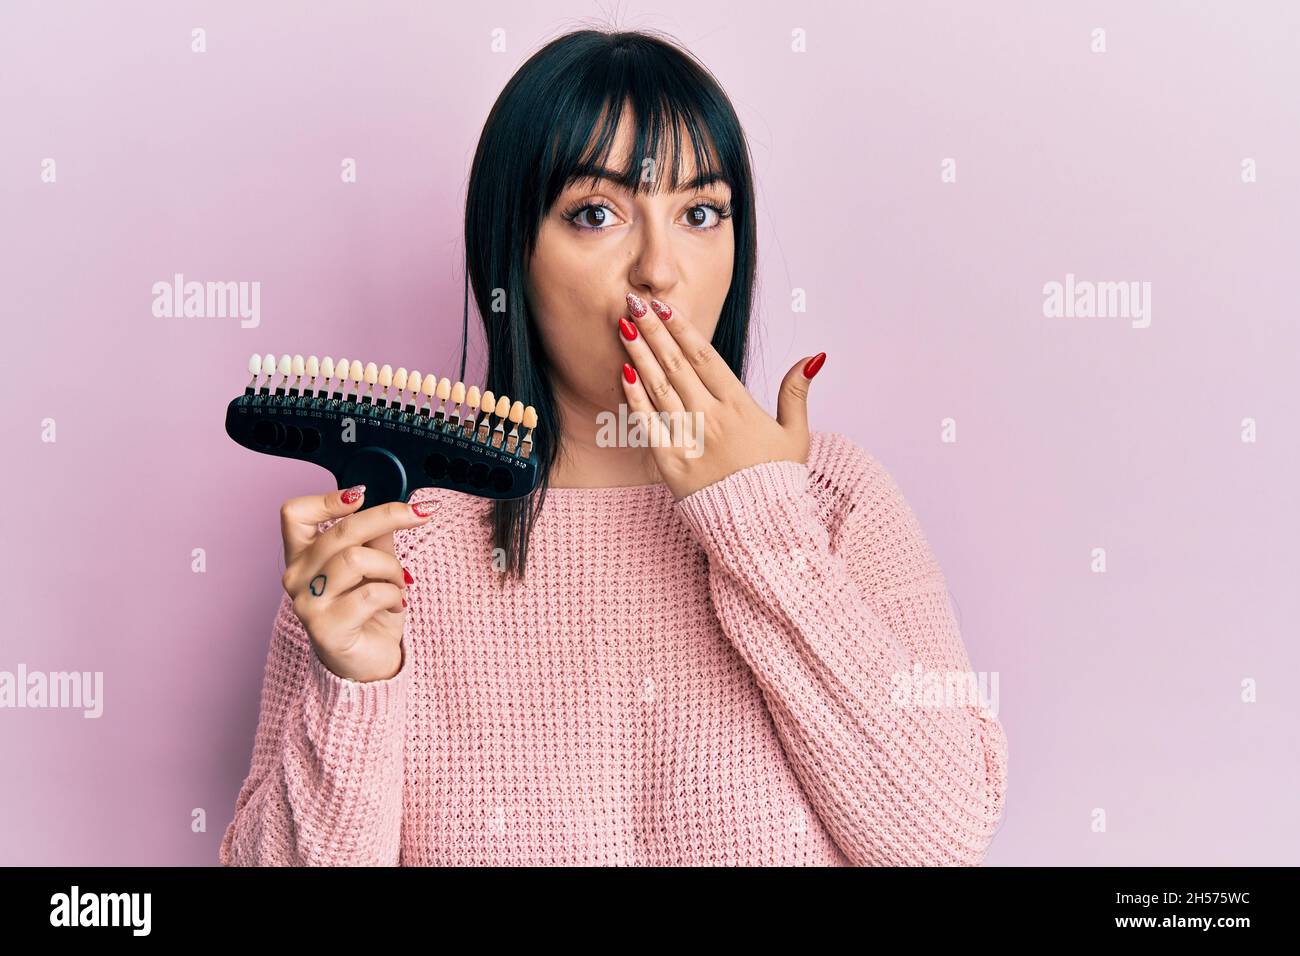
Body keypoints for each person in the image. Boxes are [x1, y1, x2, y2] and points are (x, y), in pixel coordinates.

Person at [219, 28, 1008, 867]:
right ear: (512, 251)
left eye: (701, 212)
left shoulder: (834, 499)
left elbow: (942, 839)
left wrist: (760, 527)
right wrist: (355, 688)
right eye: (597, 214)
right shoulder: (392, 540)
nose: (659, 269)